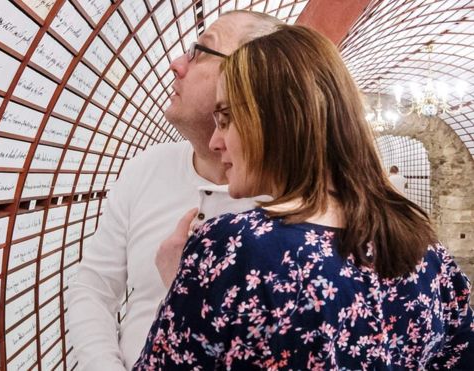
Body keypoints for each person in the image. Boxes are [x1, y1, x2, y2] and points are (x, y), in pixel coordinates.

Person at [134, 25, 474, 369]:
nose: (214, 142)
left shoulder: (232, 249)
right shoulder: (425, 251)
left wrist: (182, 287)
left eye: (226, 119)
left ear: (275, 118)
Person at [67, 11, 282, 370]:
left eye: (199, 53)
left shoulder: (298, 203)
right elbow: (93, 288)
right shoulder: (146, 168)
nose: (176, 65)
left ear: (254, 77)